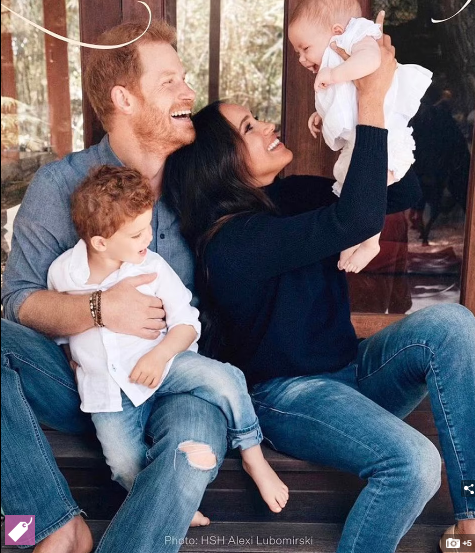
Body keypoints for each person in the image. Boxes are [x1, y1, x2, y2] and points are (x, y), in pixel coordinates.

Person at [163, 21, 475, 553]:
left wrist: (369, 108)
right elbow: (355, 219)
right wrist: (369, 98)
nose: (267, 126)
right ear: (221, 163)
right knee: (413, 463)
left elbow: (401, 191)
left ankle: (469, 520)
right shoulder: (231, 243)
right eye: (249, 127)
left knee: (452, 324)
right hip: (288, 397)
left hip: (350, 373)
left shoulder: (292, 196)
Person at [2, 20, 230, 553]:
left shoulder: (201, 181)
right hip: (85, 386)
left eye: (184, 78)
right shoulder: (60, 185)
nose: (188, 92)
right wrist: (100, 309)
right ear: (124, 99)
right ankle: (54, 525)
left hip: (178, 377)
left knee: (190, 452)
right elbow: (17, 302)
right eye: (170, 81)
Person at [47, 164, 288, 513]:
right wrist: (72, 356)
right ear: (100, 242)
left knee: (226, 378)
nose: (148, 238)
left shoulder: (153, 267)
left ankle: (253, 455)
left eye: (148, 226)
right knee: (122, 462)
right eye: (136, 234)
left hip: (166, 363)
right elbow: (61, 327)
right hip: (108, 392)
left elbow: (187, 323)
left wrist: (159, 356)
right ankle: (165, 503)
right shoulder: (63, 273)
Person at [288, 0, 432, 274]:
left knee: (369, 186)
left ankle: (370, 242)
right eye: (297, 52)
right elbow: (346, 98)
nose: (302, 59)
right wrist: (322, 114)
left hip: (385, 135)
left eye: (305, 49)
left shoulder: (357, 36)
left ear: (336, 30)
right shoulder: (337, 56)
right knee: (353, 186)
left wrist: (334, 74)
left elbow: (371, 61)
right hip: (362, 136)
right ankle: (355, 235)